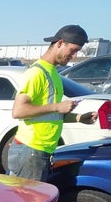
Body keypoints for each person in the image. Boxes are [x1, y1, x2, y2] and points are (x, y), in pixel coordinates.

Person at [7, 25, 98, 181]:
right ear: (60, 43)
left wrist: (79, 118)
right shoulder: (36, 73)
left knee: (34, 200)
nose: (74, 56)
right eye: (73, 50)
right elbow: (18, 111)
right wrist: (57, 106)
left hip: (40, 152)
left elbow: (50, 113)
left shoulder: (53, 73)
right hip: (31, 151)